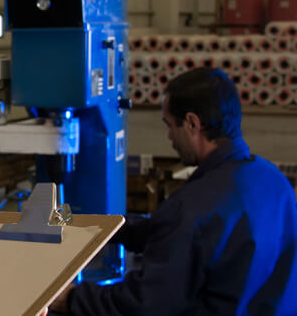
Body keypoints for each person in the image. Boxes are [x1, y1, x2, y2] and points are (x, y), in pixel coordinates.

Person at [50, 67, 297, 315]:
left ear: (191, 123)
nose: (169, 137)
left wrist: (71, 298)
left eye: (170, 126)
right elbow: (189, 237)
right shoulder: (275, 183)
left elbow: (145, 304)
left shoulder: (191, 207)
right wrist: (105, 228)